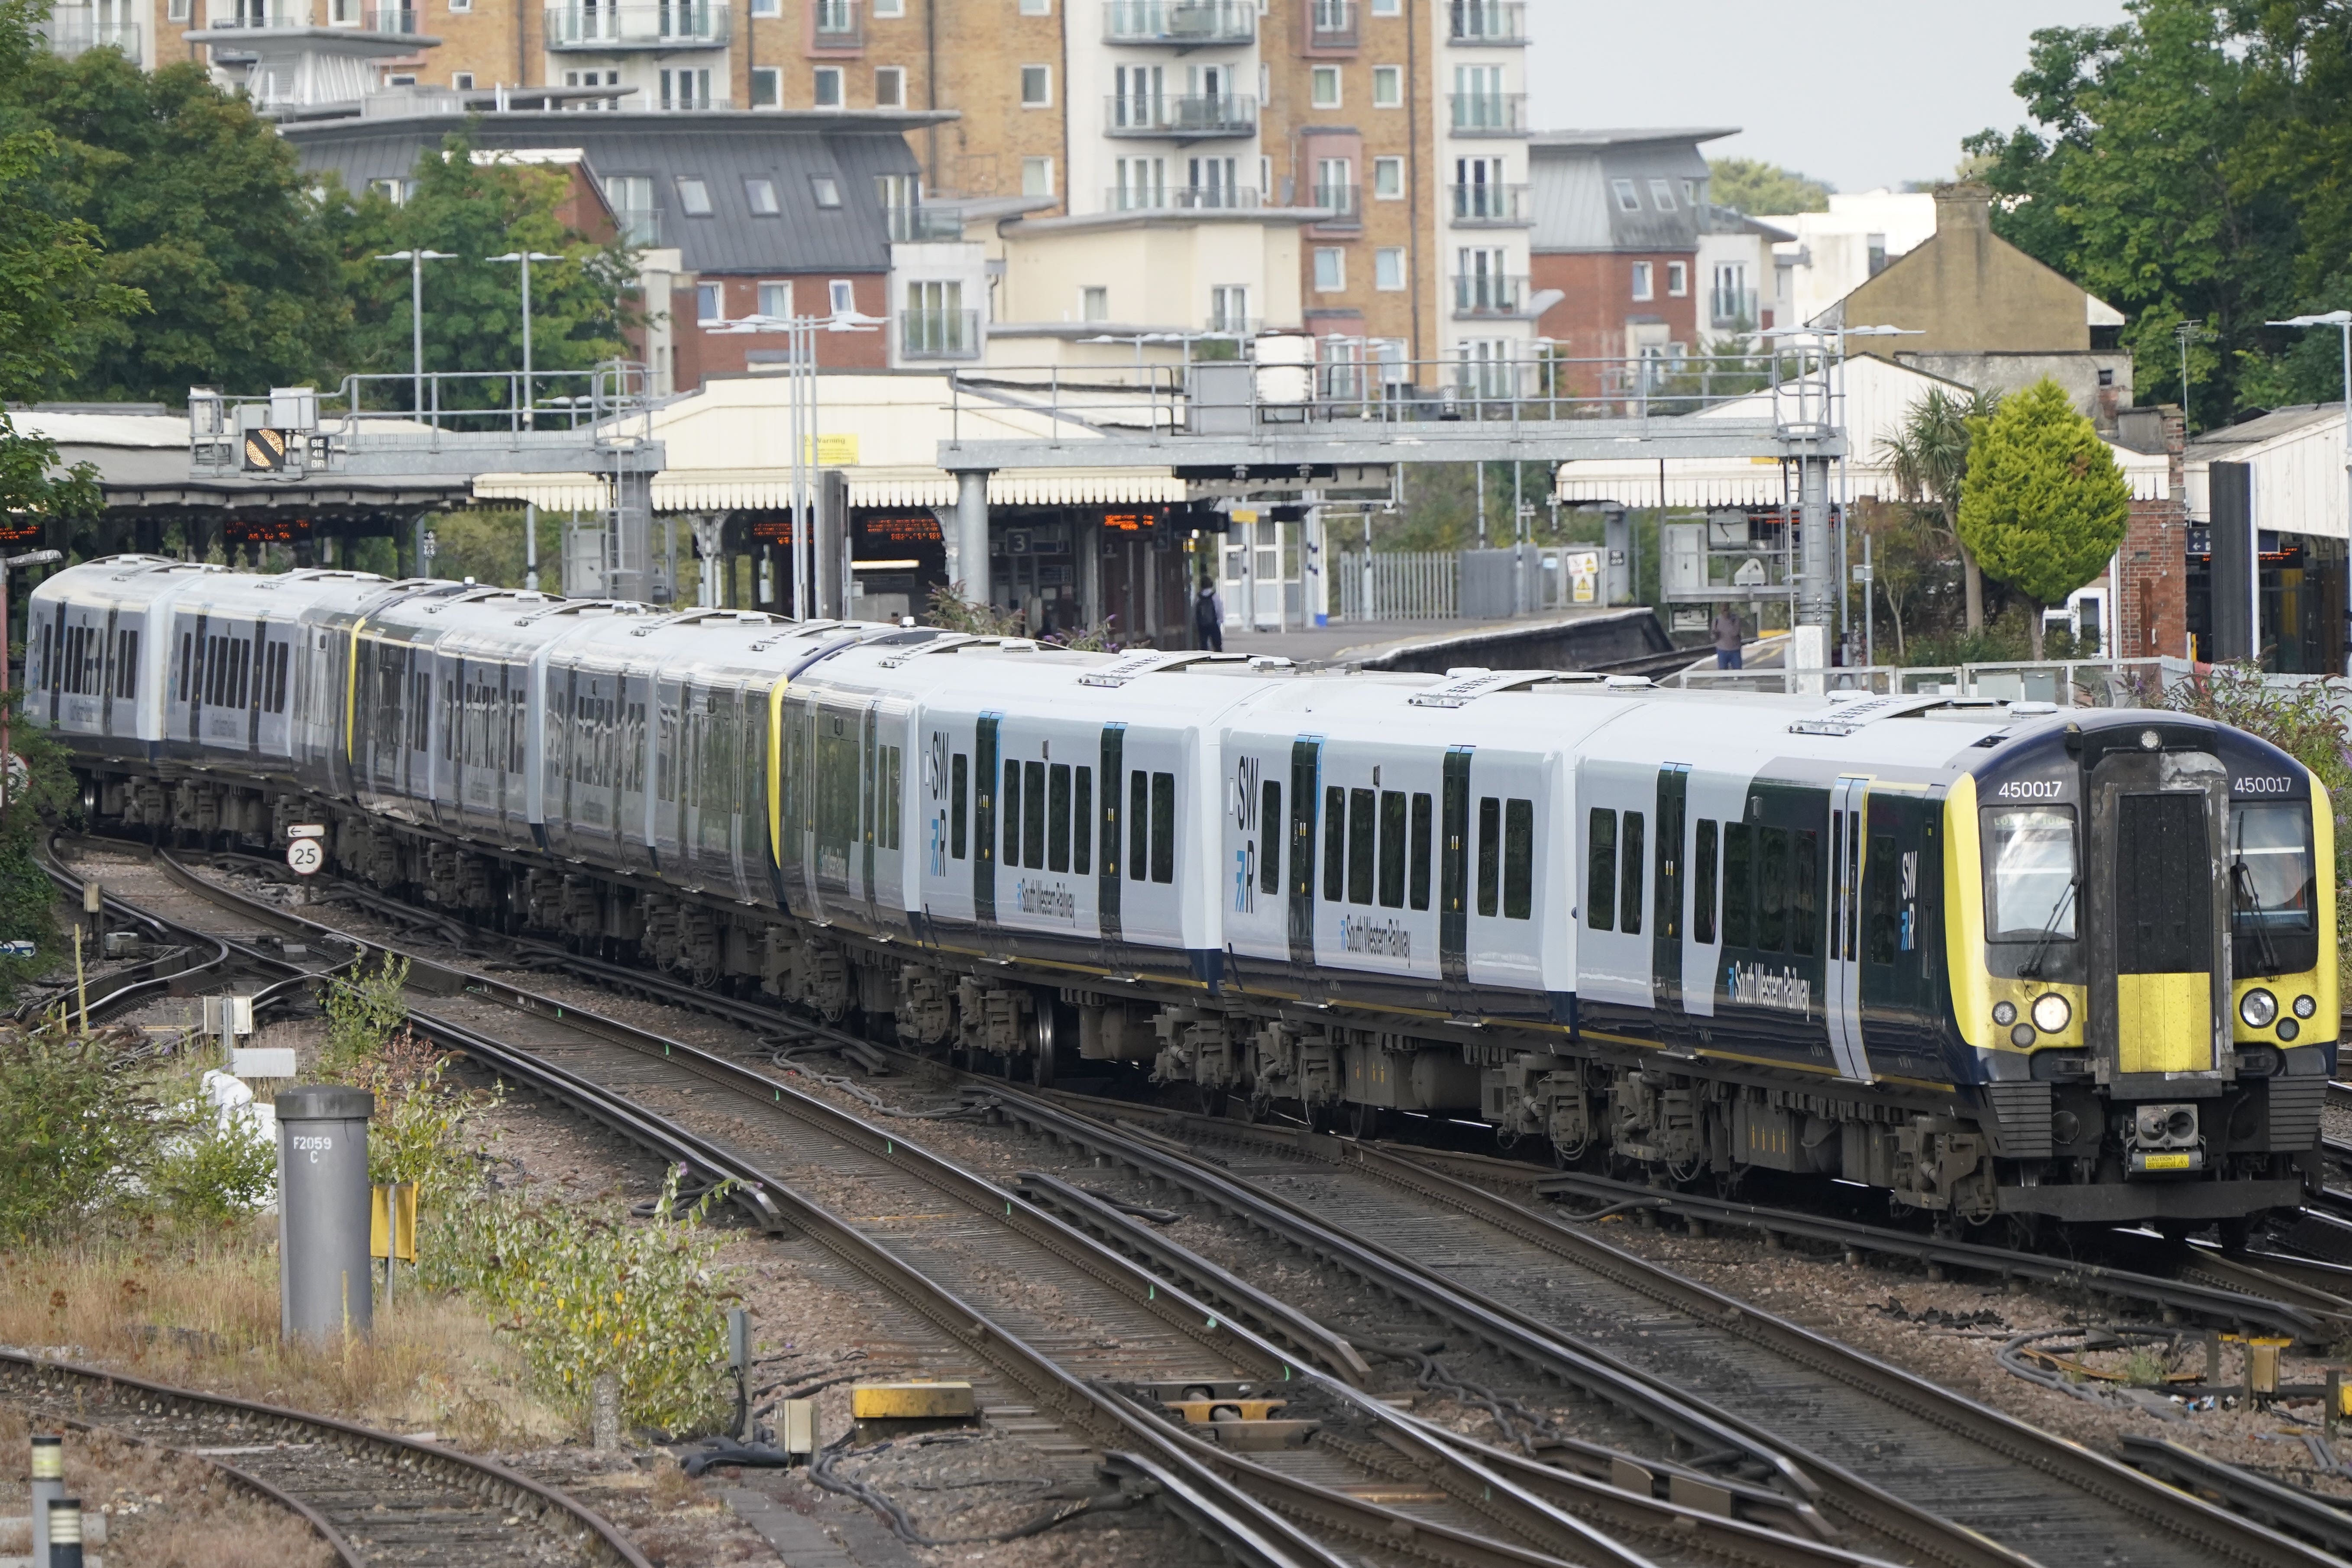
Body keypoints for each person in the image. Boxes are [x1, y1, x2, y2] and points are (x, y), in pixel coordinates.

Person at [1195, 582, 1225, 652]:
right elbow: (1219, 609)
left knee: (1203, 644)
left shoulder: (1198, 597)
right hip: (1213, 623)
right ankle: (1218, 657)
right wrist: (1220, 621)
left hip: (1202, 625)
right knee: (1217, 644)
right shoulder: (1214, 596)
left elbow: (1194, 611)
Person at [1711, 606, 1744, 670]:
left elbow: (1735, 633)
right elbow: (1713, 636)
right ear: (1720, 609)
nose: (1725, 609)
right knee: (1723, 673)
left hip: (1735, 650)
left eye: (1726, 607)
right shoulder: (1716, 620)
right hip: (1722, 650)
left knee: (1738, 671)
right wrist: (1715, 635)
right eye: (1723, 607)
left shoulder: (1735, 619)